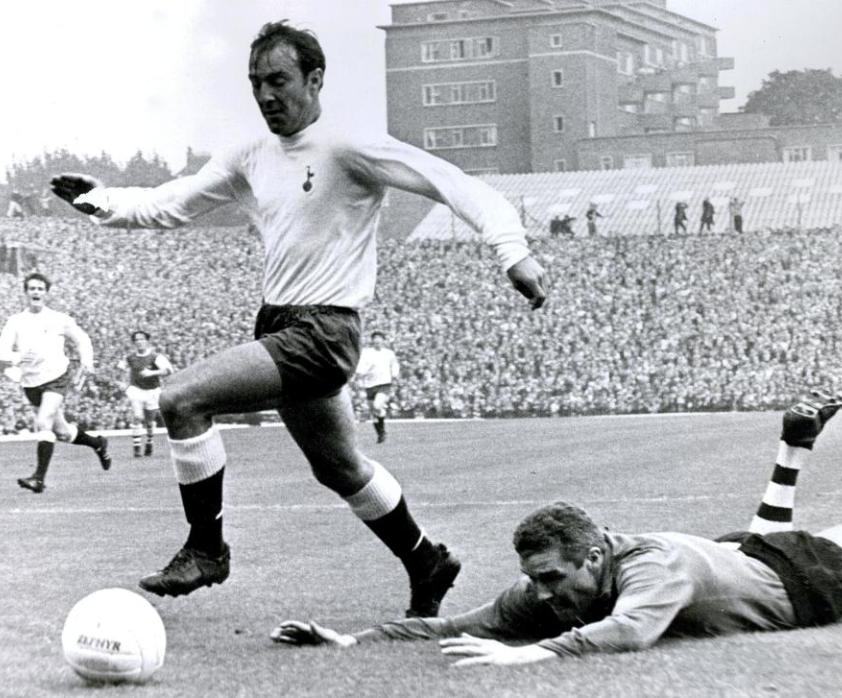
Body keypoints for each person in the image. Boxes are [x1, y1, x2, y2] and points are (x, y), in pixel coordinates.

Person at [50, 20, 547, 616]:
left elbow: (450, 182)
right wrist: (101, 200)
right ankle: (426, 561)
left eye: (278, 80)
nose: (265, 95)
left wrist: (511, 250)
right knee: (341, 468)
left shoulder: (348, 144)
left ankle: (207, 550)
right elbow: (172, 203)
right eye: (256, 82)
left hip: (325, 330)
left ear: (315, 79)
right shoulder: (250, 154)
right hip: (281, 325)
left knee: (180, 400)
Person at [271, 390, 842, 667]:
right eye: (536, 580)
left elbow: (630, 633)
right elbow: (449, 623)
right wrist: (352, 641)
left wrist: (527, 658)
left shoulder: (654, 566)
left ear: (595, 558)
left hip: (815, 578)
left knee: (787, 548)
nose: (541, 592)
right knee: (755, 546)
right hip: (746, 556)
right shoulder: (543, 586)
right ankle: (793, 447)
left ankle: (792, 448)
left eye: (551, 577)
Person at [0, 272, 112, 493]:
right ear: (26, 292)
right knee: (63, 433)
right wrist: (17, 357)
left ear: (46, 293)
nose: (36, 292)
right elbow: (1, 352)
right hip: (31, 383)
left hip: (57, 376)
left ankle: (38, 479)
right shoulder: (16, 321)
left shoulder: (59, 319)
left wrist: (87, 362)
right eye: (32, 288)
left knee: (43, 421)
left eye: (40, 289)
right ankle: (98, 444)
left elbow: (82, 339)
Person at [118, 330, 174, 457]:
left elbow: (168, 370)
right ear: (134, 343)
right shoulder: (130, 357)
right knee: (137, 416)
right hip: (136, 390)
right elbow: (121, 368)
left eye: (142, 339)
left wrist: (152, 373)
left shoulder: (155, 357)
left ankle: (149, 442)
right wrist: (122, 382)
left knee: (149, 421)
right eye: (136, 340)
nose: (139, 342)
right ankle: (137, 447)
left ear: (147, 341)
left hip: (152, 391)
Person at [355, 331, 399, 444]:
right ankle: (381, 434)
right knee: (375, 411)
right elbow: (361, 367)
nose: (377, 342)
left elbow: (394, 365)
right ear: (372, 341)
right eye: (375, 340)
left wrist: (394, 374)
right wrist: (360, 374)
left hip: (384, 384)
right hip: (369, 384)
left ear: (383, 341)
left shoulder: (389, 353)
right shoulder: (366, 353)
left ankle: (382, 429)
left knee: (376, 405)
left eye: (379, 340)